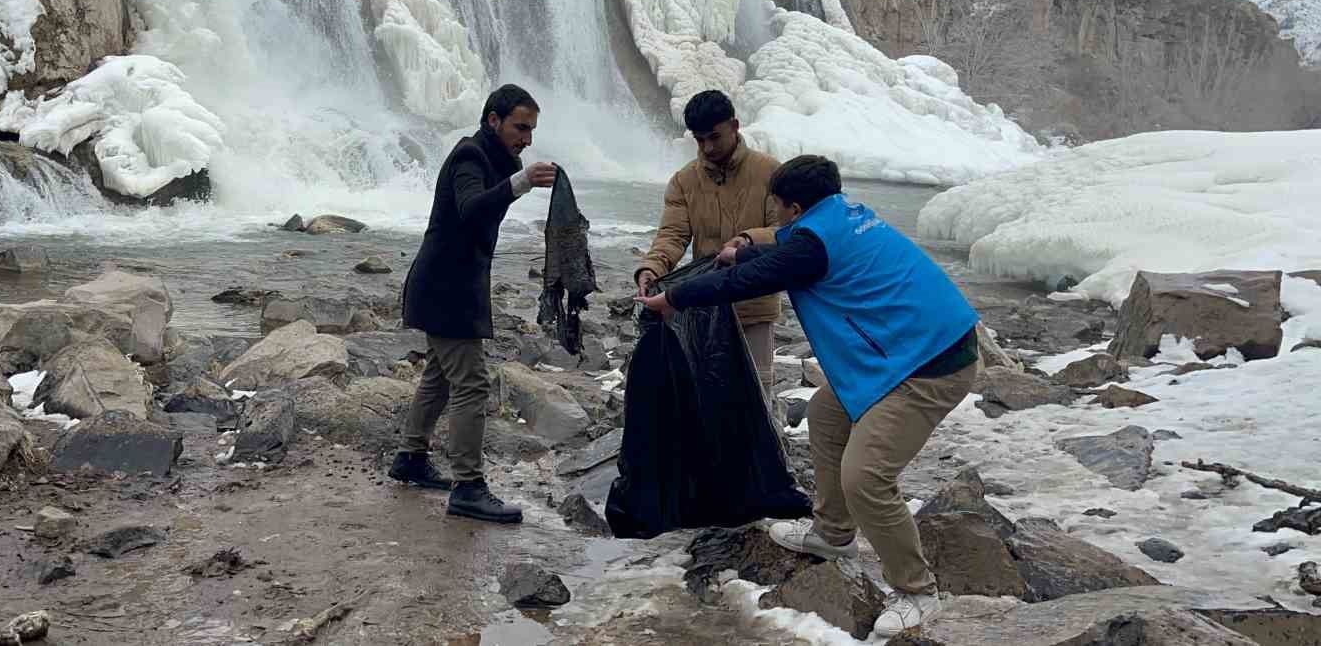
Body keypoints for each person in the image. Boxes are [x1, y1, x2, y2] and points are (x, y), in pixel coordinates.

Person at [636, 155, 980, 636]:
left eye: (775, 207)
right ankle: (833, 534)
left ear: (794, 207)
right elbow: (787, 258)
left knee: (867, 477)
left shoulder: (813, 241)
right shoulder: (839, 219)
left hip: (929, 365)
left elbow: (757, 277)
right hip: (905, 350)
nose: (772, 214)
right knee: (826, 415)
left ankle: (918, 592)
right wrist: (745, 252)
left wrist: (674, 298)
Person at [390, 84, 556, 524]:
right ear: (493, 120)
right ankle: (468, 486)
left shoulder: (495, 158)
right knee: (472, 383)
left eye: (532, 130)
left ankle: (410, 457)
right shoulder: (470, 156)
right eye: (521, 127)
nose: (527, 138)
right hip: (447, 288)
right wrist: (521, 182)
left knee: (440, 376)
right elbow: (469, 208)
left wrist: (517, 176)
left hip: (448, 283)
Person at [635, 90, 783, 391]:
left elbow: (786, 230)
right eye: (700, 140)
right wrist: (652, 268)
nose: (708, 147)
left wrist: (747, 240)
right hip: (706, 305)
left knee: (758, 392)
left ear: (735, 125)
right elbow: (673, 235)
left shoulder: (770, 172)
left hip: (754, 304)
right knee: (710, 390)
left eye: (715, 137)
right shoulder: (684, 180)